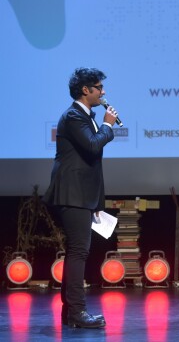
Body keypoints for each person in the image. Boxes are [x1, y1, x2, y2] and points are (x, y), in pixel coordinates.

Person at [43, 67, 119, 329]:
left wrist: (96, 203)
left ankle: (70, 312)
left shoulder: (84, 115)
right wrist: (108, 124)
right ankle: (77, 312)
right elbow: (92, 145)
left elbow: (90, 161)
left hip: (81, 194)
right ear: (85, 90)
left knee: (76, 251)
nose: (103, 92)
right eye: (99, 87)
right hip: (72, 193)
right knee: (78, 252)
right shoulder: (74, 115)